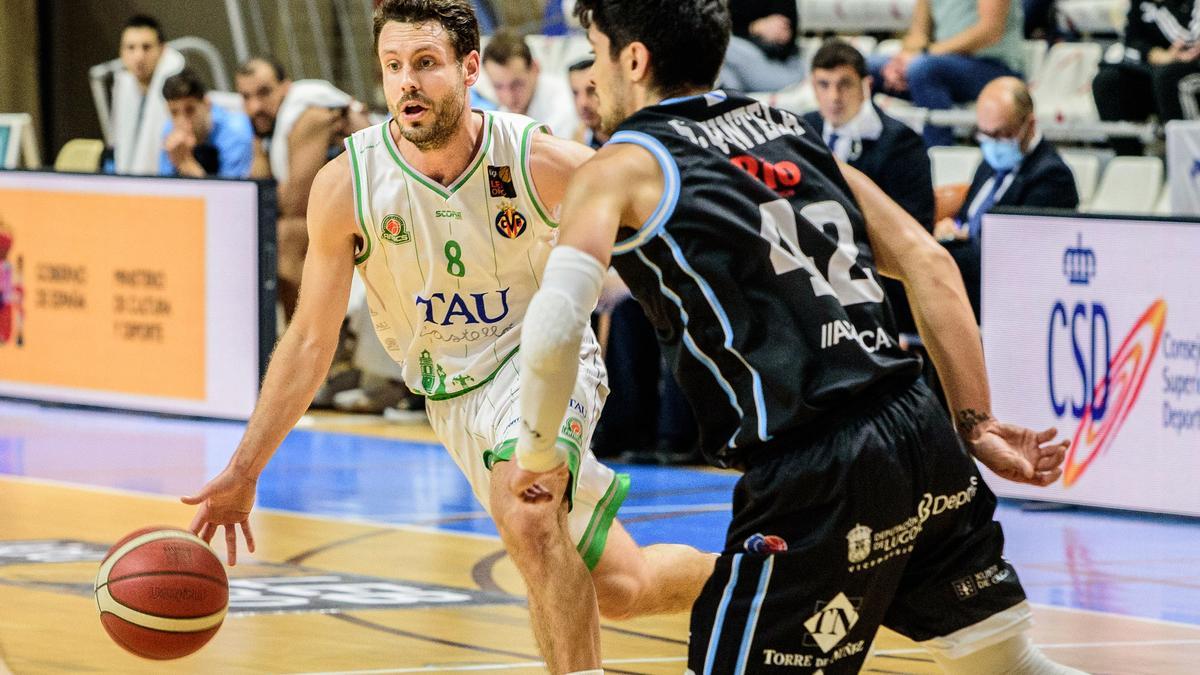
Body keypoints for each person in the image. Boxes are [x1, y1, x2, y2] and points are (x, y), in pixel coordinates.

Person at [510, 2, 1084, 673]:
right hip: (920, 429)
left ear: (632, 60)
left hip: (817, 464)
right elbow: (930, 263)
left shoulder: (619, 165)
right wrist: (975, 420)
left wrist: (536, 452)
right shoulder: (794, 130)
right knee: (1008, 663)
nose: (592, 78)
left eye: (597, 50)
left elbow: (554, 327)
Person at [181, 2, 714, 673]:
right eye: (394, 65)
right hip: (452, 394)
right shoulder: (347, 184)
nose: (407, 81)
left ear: (469, 69)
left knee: (522, 511)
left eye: (426, 64)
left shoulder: (535, 158)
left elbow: (670, 208)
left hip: (542, 360)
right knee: (620, 586)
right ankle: (758, 574)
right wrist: (244, 467)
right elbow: (311, 343)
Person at [804, 39, 934, 344]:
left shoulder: (902, 143)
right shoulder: (802, 133)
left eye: (844, 84)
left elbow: (916, 228)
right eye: (824, 85)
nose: (834, 96)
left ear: (867, 84)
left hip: (880, 284)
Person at [234, 57, 371, 317]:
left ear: (286, 87)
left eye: (264, 93)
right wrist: (258, 146)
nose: (255, 107)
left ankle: (308, 339)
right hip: (349, 216)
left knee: (287, 234)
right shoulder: (268, 127)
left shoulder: (310, 116)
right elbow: (258, 196)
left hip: (382, 215)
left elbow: (294, 204)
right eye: (246, 97)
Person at [936, 77, 1077, 318]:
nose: (992, 143)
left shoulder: (1052, 177)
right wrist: (950, 227)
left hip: (1008, 291)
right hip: (966, 278)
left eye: (1002, 134)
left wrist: (959, 242)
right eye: (984, 134)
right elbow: (968, 218)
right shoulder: (990, 162)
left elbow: (1019, 252)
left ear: (1030, 125)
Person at [871, 0, 1026, 147]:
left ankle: (938, 153)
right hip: (941, 63)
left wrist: (925, 54)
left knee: (923, 69)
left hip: (993, 66)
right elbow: (918, 33)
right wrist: (901, 61)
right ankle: (872, 153)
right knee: (868, 67)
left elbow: (990, 31)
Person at [1093, 0, 1200, 155]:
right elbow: (1131, 41)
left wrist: (1160, 7)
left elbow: (1190, 38)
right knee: (1106, 82)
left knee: (1167, 78)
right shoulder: (1141, 3)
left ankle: (1187, 158)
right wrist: (1158, 55)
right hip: (1158, 69)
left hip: (1191, 67)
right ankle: (1130, 161)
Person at [107, 14, 185, 175]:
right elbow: (115, 147)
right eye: (131, 48)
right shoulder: (123, 85)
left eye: (146, 47)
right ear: (121, 52)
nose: (139, 57)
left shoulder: (178, 91)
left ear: (162, 49)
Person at [481, 29, 580, 138]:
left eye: (517, 84)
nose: (509, 97)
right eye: (498, 86)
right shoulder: (502, 114)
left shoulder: (565, 104)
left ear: (535, 69)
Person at [158, 68, 254, 179]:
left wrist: (185, 163)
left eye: (190, 110)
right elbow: (165, 189)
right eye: (174, 112)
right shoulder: (169, 130)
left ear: (207, 104)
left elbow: (230, 193)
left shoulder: (236, 133)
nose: (182, 120)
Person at [718, 0, 805, 92]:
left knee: (721, 42)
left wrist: (752, 30)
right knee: (726, 75)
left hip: (778, 68)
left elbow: (782, 41)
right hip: (740, 68)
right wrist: (754, 28)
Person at [568, 59, 609, 149]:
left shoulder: (632, 141)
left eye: (591, 90)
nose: (583, 103)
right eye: (575, 93)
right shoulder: (576, 144)